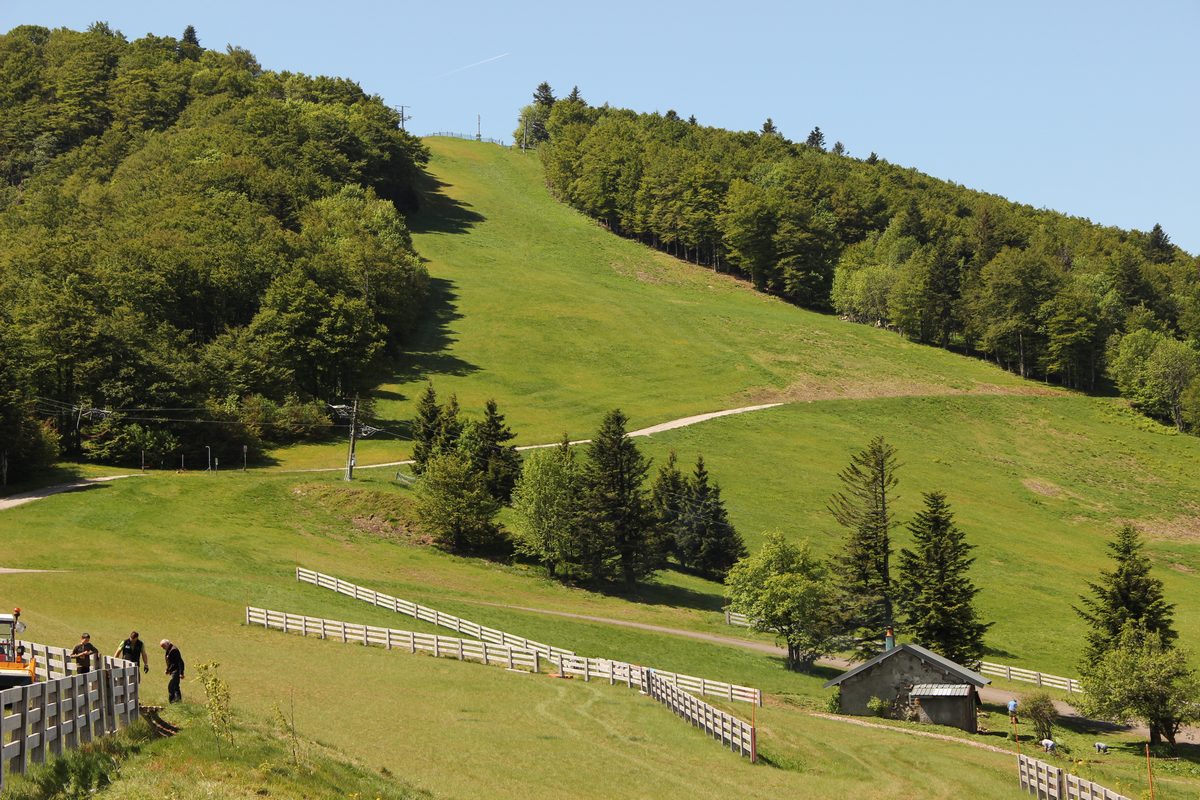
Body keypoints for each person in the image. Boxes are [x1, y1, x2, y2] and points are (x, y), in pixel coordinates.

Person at [160, 639, 185, 703]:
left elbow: (179, 662)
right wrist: (168, 669)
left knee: (171, 686)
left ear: (167, 644)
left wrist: (181, 673)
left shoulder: (174, 650)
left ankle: (172, 702)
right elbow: (171, 662)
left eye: (163, 646)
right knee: (176, 686)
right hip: (174, 671)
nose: (163, 648)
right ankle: (178, 702)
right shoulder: (169, 649)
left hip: (176, 671)